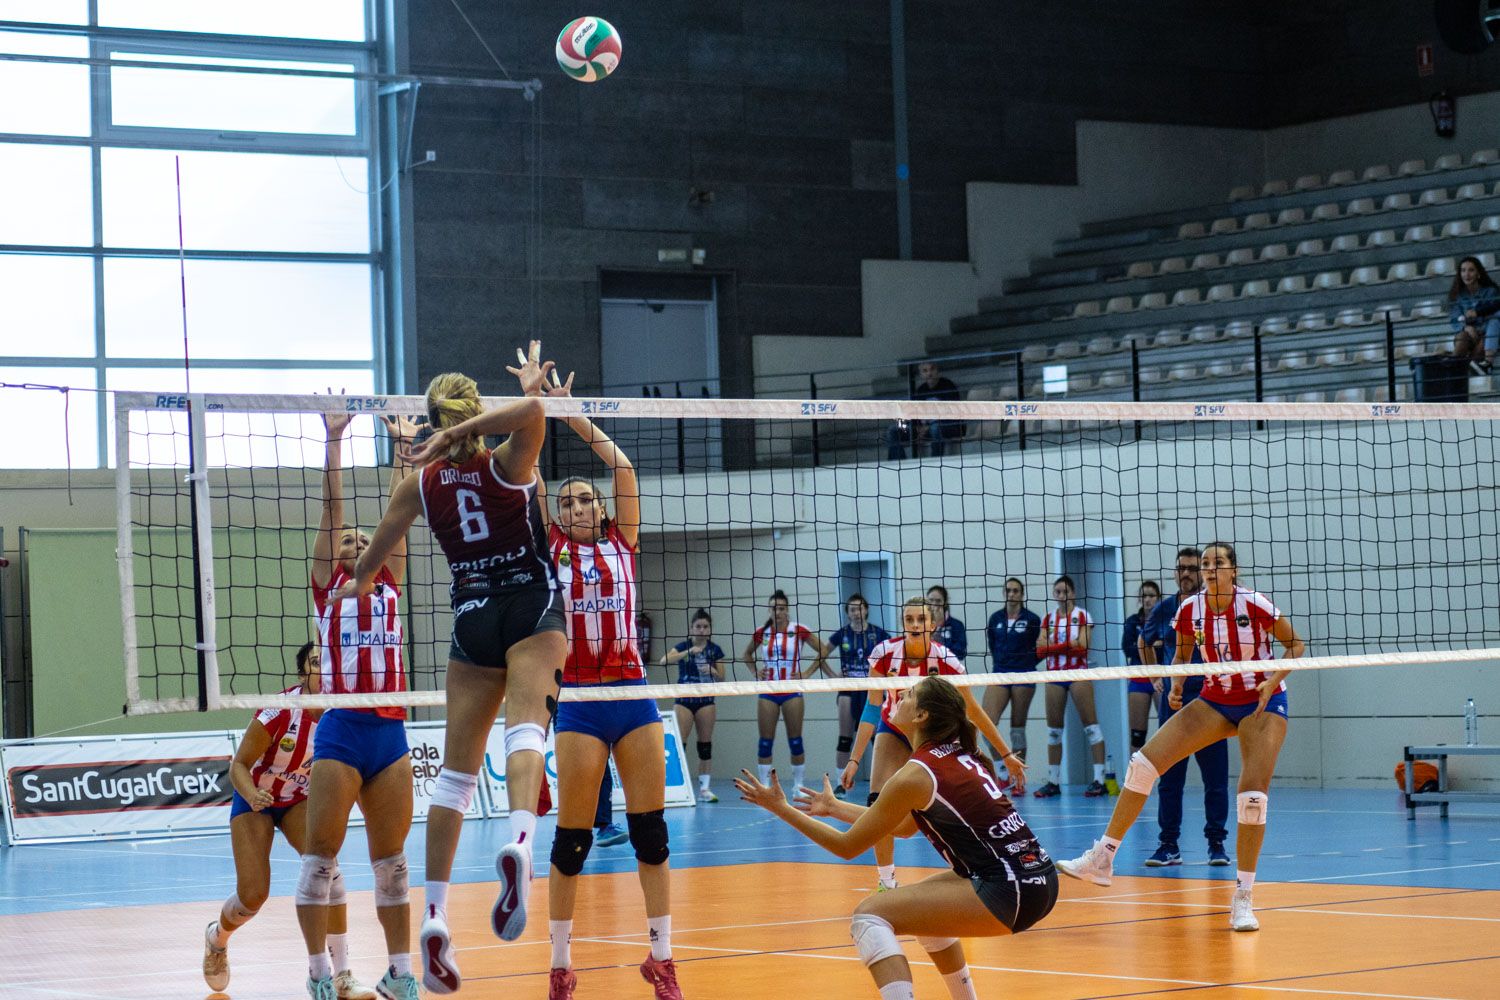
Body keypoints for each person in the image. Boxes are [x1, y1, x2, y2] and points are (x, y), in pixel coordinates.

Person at [340, 356, 565, 995]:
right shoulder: (507, 464)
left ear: (436, 422)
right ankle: (520, 841)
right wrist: (521, 397)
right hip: (530, 603)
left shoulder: (421, 484)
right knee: (527, 730)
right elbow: (534, 413)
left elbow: (377, 556)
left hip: (470, 615)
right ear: (474, 412)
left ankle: (436, 914)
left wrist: (351, 588)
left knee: (455, 779)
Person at [737, 675, 1058, 1000]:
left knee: (869, 915)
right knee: (925, 918)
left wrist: (780, 808)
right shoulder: (958, 755)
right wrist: (834, 808)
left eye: (908, 694)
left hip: (1010, 891)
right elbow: (902, 827)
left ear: (921, 717)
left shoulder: (915, 774)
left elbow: (846, 846)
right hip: (1037, 881)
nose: (899, 695)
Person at [530, 361, 684, 1000]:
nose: (578, 505)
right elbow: (525, 481)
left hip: (633, 691)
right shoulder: (551, 549)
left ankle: (663, 959)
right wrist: (535, 411)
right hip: (582, 701)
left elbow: (622, 468)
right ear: (559, 516)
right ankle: (562, 964)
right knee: (572, 840)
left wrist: (575, 417)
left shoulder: (624, 541)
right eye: (568, 502)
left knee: (652, 833)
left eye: (584, 498)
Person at [1060, 541, 1305, 933]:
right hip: (1215, 699)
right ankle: (1102, 858)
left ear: (1233, 570)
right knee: (1143, 764)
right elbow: (1182, 655)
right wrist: (1175, 685)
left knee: (1252, 796)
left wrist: (1273, 680)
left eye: (1218, 563)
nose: (1209, 569)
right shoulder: (1189, 609)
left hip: (1261, 700)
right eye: (1206, 563)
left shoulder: (1254, 603)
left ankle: (1242, 898)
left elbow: (1296, 646)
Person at [299, 411, 419, 1000]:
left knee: (392, 864)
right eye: (348, 540)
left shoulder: (390, 580)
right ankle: (321, 974)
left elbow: (402, 505)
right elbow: (331, 511)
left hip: (391, 732)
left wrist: (402, 443)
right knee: (320, 861)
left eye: (362, 539)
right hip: (343, 730)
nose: (355, 542)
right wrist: (336, 436)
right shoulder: (328, 589)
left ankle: (401, 974)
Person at [203, 642, 375, 1000]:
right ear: (302, 674)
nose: (322, 668)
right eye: (314, 662)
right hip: (257, 798)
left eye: (326, 662)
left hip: (298, 800)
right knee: (253, 895)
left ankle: (342, 976)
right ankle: (217, 939)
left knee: (330, 870)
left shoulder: (341, 712)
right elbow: (238, 766)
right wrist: (251, 795)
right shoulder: (279, 712)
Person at [839, 596, 1019, 892]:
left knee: (952, 805)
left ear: (932, 625)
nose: (914, 625)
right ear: (903, 624)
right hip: (895, 728)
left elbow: (972, 710)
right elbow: (872, 709)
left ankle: (971, 870)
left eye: (920, 620)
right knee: (878, 801)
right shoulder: (884, 654)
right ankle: (887, 882)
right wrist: (854, 759)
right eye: (909, 620)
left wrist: (1006, 754)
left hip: (933, 734)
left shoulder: (946, 660)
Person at [1138, 548, 1230, 867]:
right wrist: (1156, 679)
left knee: (1215, 777)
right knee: (1170, 775)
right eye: (1182, 569)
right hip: (1174, 702)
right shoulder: (1166, 608)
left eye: (1193, 568)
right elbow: (1143, 642)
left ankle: (1216, 844)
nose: (1188, 573)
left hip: (1212, 701)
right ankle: (1168, 845)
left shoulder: (1216, 608)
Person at [742, 590, 832, 792]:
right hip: (768, 690)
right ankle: (764, 785)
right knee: (765, 741)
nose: (778, 612)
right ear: (769, 610)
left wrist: (807, 673)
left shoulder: (798, 630)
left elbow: (824, 650)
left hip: (792, 690)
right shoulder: (762, 632)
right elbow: (746, 654)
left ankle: (798, 785)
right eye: (774, 608)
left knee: (795, 739)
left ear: (787, 610)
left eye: (782, 608)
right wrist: (755, 672)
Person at [1032, 575, 1107, 798]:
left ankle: (1099, 779)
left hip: (1078, 673)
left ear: (1072, 593)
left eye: (1065, 591)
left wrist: (1053, 646)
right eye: (1058, 592)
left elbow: (1083, 647)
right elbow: (1039, 651)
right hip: (1054, 675)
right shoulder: (1048, 618)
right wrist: (1068, 645)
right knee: (1053, 732)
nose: (1062, 596)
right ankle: (1053, 781)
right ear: (1054, 595)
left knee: (1091, 726)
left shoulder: (1083, 616)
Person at [825, 594, 892, 795]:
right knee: (845, 737)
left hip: (871, 687)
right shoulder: (842, 634)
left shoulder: (878, 633)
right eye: (852, 609)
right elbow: (821, 654)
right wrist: (832, 676)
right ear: (848, 613)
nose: (856, 612)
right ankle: (839, 784)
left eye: (860, 608)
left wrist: (889, 681)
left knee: (876, 737)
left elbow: (893, 656)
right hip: (848, 688)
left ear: (866, 610)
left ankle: (879, 784)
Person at [662, 607, 726, 803]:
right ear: (692, 628)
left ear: (710, 629)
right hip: (684, 699)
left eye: (705, 626)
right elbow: (664, 660)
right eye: (698, 626)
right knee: (679, 745)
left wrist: (712, 671)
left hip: (706, 699)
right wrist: (688, 652)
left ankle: (704, 789)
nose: (701, 630)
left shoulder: (715, 650)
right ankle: (673, 787)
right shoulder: (683, 646)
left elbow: (723, 678)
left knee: (705, 745)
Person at [983, 578, 1042, 776]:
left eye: (1016, 591)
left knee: (1017, 728)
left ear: (1022, 594)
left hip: (1023, 674)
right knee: (985, 725)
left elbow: (1040, 648)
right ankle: (1001, 771)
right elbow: (993, 645)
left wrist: (1026, 664)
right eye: (1009, 590)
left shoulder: (1032, 619)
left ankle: (1019, 776)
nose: (1012, 594)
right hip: (1000, 672)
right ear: (1004, 593)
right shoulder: (995, 618)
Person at [885, 361, 965, 460]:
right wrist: (918, 426)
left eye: (932, 369)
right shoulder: (920, 391)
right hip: (924, 428)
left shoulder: (949, 386)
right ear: (921, 374)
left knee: (935, 428)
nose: (929, 373)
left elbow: (952, 415)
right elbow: (914, 414)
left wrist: (928, 426)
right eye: (925, 371)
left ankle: (935, 462)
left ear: (937, 371)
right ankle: (899, 463)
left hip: (947, 426)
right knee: (893, 430)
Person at [1122, 580, 1162, 757]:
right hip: (1138, 678)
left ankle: (1168, 781)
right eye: (1144, 596)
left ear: (1158, 598)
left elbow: (1168, 649)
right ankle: (1134, 781)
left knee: (1167, 731)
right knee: (1137, 736)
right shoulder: (1132, 622)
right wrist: (1152, 647)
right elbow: (1127, 648)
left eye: (1151, 596)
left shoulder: (1164, 620)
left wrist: (1145, 648)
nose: (1147, 600)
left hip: (1160, 677)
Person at [1449, 255, 1500, 374]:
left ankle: (1460, 373)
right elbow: (1455, 319)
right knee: (1462, 337)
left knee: (1482, 345)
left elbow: (1494, 313)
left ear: (1478, 273)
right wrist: (1466, 328)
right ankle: (1452, 369)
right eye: (1463, 270)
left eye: (1471, 270)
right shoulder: (1457, 295)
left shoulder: (1490, 291)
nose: (1466, 274)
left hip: (1487, 332)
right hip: (1469, 334)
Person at [926, 585, 967, 662]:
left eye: (938, 601)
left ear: (945, 602)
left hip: (949, 670)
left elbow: (960, 653)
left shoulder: (956, 625)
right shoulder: (921, 625)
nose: (934, 604)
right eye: (931, 600)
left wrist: (940, 643)